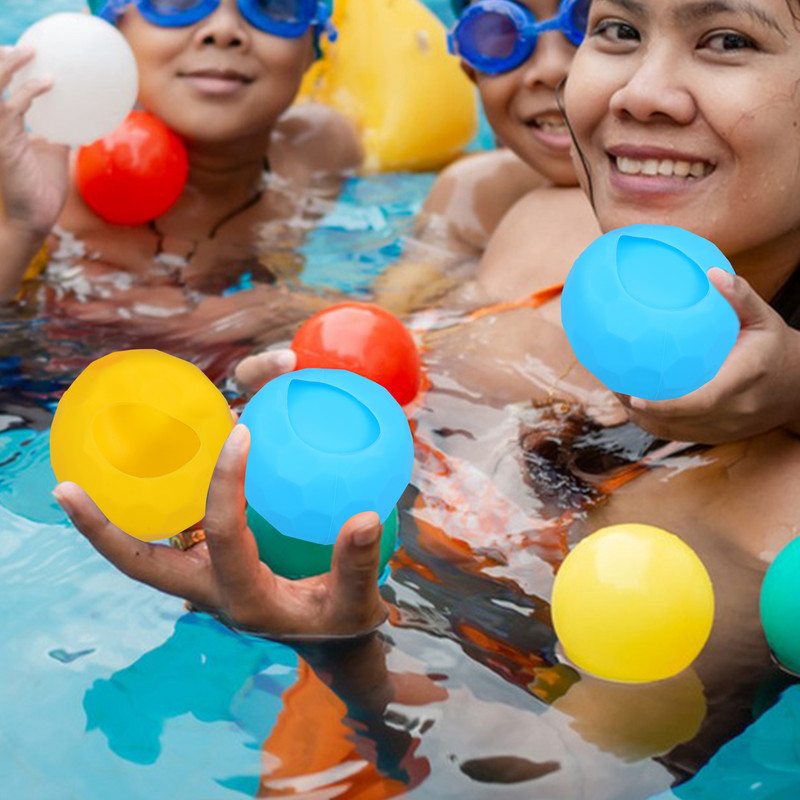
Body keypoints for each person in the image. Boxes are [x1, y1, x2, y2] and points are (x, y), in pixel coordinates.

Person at [0, 0, 362, 336]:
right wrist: (19, 231)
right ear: (110, 29)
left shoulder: (321, 153)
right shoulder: (44, 189)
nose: (223, 30)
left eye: (271, 2)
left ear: (314, 46)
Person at [372, 0, 601, 314]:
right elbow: (395, 313)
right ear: (471, 69)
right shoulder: (475, 193)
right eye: (501, 32)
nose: (550, 70)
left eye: (590, 22)